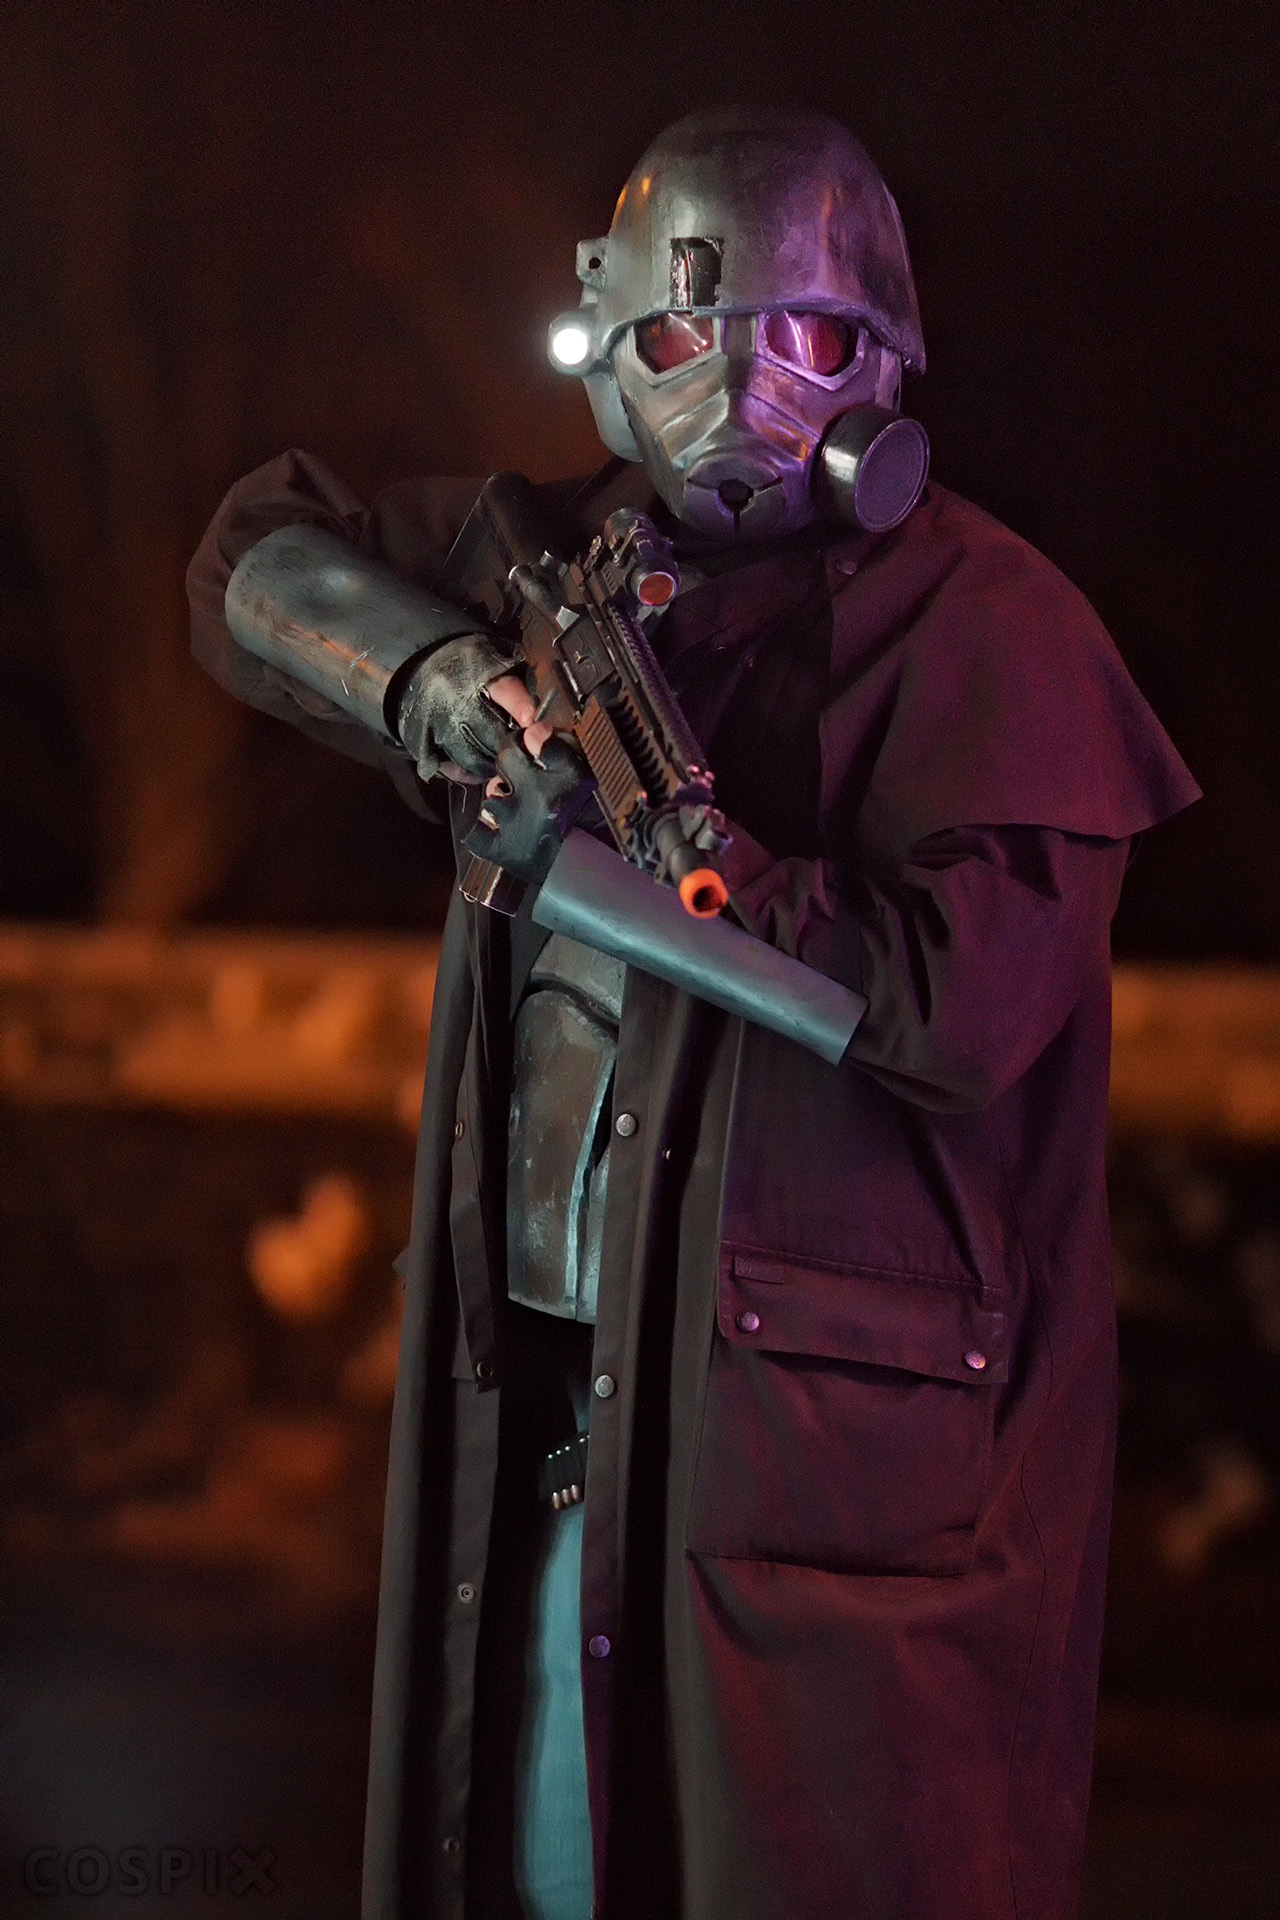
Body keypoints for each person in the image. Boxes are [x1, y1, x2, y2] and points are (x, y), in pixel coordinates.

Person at [188, 106, 1199, 1920]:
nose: (736, 389)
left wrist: (665, 859)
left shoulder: (996, 633)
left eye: (799, 334)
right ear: (604, 340)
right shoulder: (551, 562)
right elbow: (255, 559)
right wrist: (443, 682)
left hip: (831, 1494)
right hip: (550, 1408)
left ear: (882, 352)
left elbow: (956, 1010)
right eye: (678, 332)